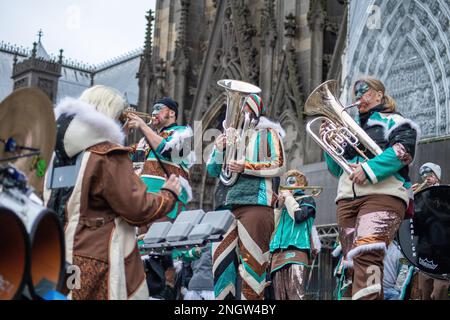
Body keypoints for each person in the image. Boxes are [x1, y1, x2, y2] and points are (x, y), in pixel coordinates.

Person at [44, 85, 181, 300]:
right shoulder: (107, 155)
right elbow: (138, 208)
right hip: (97, 260)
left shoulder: (56, 155)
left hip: (56, 254)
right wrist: (168, 195)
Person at [323, 76, 419, 300]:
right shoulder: (350, 125)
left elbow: (404, 150)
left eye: (365, 92)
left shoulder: (395, 120)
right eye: (356, 93)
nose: (359, 97)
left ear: (379, 95)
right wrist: (328, 143)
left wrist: (368, 170)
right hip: (347, 199)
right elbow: (337, 169)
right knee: (351, 267)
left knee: (367, 256)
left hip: (384, 196)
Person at [206, 93, 286, 300]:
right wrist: (218, 150)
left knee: (253, 268)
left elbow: (279, 164)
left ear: (255, 111)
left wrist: (246, 167)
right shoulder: (231, 136)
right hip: (225, 206)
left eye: (244, 109)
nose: (240, 114)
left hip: (256, 203)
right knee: (221, 266)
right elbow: (213, 171)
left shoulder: (268, 132)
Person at [126, 97, 194, 236]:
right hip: (144, 204)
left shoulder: (184, 132)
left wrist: (143, 126)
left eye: (158, 108)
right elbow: (118, 157)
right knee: (141, 252)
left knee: (160, 249)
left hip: (168, 203)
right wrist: (125, 128)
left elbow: (169, 150)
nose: (153, 112)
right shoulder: (144, 141)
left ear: (172, 113)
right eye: (153, 109)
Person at [269, 170, 321, 300]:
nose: (288, 185)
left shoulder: (307, 200)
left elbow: (299, 216)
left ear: (301, 184)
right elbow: (272, 228)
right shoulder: (285, 203)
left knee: (295, 295)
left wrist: (289, 198)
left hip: (296, 250)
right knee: (279, 296)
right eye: (287, 182)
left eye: (292, 182)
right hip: (277, 253)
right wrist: (279, 207)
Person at [413, 162, 449, 300]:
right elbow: (415, 225)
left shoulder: (446, 193)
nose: (426, 178)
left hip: (445, 255)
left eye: (430, 174)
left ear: (438, 177)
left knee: (440, 292)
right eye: (423, 175)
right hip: (425, 252)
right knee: (424, 292)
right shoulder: (420, 197)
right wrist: (411, 198)